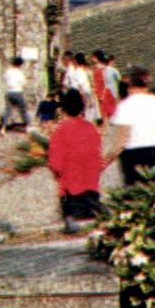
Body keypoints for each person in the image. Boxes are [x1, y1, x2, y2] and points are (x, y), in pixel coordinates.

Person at [46, 89, 103, 233]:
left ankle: (70, 223)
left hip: (70, 181)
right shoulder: (90, 128)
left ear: (63, 109)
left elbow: (56, 160)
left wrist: (55, 170)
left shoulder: (61, 130)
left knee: (69, 202)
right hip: (90, 178)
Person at [109, 65, 155, 186]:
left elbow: (121, 141)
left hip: (132, 155)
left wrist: (104, 161)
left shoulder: (125, 106)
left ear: (129, 82)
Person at [65, 53, 98, 122]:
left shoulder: (79, 72)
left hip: (82, 95)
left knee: (86, 114)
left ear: (76, 61)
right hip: (82, 94)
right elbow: (82, 86)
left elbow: (81, 87)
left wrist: (84, 99)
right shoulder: (80, 72)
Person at [91, 50, 119, 126]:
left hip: (102, 93)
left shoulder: (100, 70)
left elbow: (102, 83)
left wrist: (101, 95)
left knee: (104, 115)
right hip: (104, 93)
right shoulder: (102, 69)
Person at [2, 55, 29, 130]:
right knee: (23, 109)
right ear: (20, 65)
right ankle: (27, 127)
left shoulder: (8, 72)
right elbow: (23, 83)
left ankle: (3, 128)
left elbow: (5, 79)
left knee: (7, 111)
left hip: (9, 92)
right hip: (18, 92)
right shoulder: (20, 73)